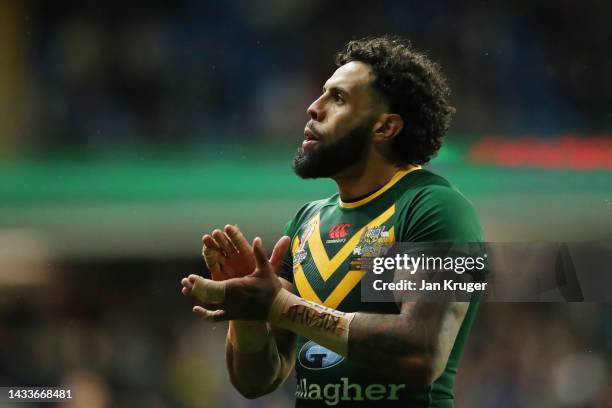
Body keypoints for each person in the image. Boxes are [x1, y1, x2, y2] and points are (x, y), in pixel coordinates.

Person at [181, 36, 483, 407]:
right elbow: (258, 380)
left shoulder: (434, 207)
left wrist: (278, 306)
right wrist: (248, 316)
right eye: (322, 94)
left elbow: (421, 354)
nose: (313, 107)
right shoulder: (306, 222)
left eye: (338, 98)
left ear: (385, 127)